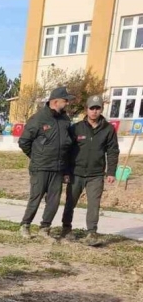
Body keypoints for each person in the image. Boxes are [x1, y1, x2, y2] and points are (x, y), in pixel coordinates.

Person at [18, 86, 76, 239]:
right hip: (41, 167)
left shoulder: (65, 120)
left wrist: (66, 169)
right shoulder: (38, 118)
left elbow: (67, 144)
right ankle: (25, 225)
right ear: (55, 101)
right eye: (65, 100)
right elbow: (24, 141)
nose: (67, 103)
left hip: (58, 168)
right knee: (35, 197)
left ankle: (45, 228)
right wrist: (36, 156)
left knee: (54, 201)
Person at [61, 96, 119, 246]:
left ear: (101, 109)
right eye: (92, 108)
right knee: (70, 202)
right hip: (76, 173)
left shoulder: (108, 129)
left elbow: (113, 151)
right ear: (86, 109)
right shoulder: (76, 128)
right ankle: (66, 229)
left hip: (96, 175)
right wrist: (66, 171)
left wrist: (111, 172)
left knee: (94, 204)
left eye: (97, 108)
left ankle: (92, 233)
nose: (94, 111)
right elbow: (67, 151)